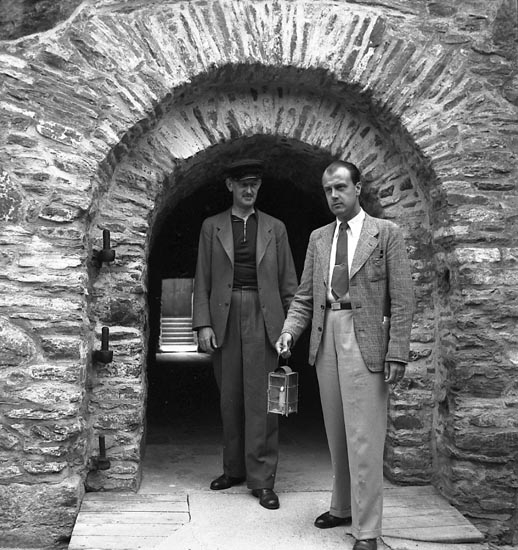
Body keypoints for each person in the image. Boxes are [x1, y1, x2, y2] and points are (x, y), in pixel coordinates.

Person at [275, 160, 414, 550]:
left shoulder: (385, 233)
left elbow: (403, 298)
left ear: (357, 188)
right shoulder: (319, 238)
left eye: (340, 187)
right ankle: (342, 507)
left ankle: (367, 530)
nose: (333, 195)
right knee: (336, 432)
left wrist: (397, 352)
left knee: (364, 436)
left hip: (366, 336)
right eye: (328, 190)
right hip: (326, 336)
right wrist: (289, 331)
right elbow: (305, 297)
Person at [193, 158, 298, 510]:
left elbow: (288, 282)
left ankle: (262, 479)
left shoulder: (275, 228)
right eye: (243, 184)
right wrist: (203, 323)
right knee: (230, 398)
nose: (249, 190)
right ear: (230, 185)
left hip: (264, 316)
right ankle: (234, 469)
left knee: (263, 401)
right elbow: (202, 278)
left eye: (255, 183)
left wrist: (289, 328)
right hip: (224, 315)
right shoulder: (211, 227)